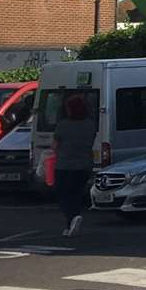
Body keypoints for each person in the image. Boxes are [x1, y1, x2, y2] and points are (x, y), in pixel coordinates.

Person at [51, 94, 97, 237]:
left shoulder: (63, 125)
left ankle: (72, 217)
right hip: (84, 165)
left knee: (63, 194)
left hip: (65, 165)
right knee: (76, 193)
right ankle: (71, 222)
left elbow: (55, 145)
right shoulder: (90, 125)